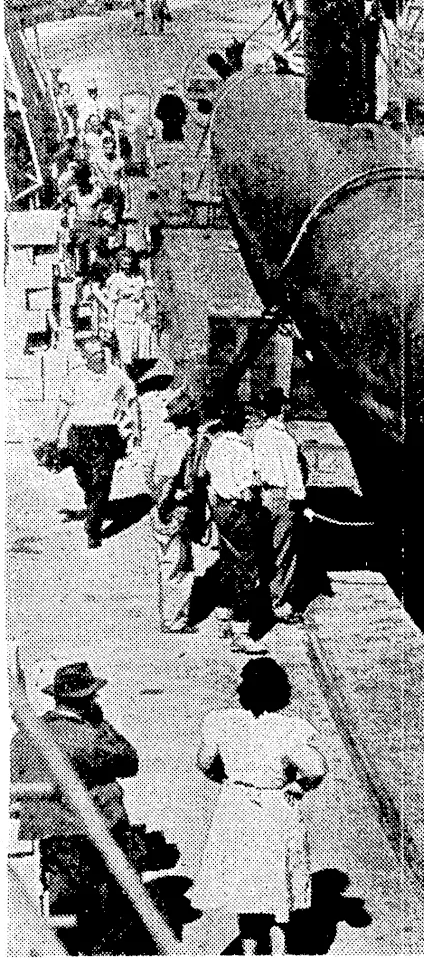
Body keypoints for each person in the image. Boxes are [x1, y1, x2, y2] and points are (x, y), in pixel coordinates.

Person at [190, 659, 326, 956]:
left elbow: (205, 763)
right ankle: (279, 952)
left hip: (235, 808)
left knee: (246, 885)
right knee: (276, 882)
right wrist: (298, 787)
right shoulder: (288, 729)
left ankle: (249, 951)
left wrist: (227, 781)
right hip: (274, 808)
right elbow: (316, 769)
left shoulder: (221, 722)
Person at [10, 662, 143, 954]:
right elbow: (129, 762)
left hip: (49, 831)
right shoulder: (89, 734)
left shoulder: (26, 734)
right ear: (87, 698)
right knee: (106, 905)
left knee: (64, 902)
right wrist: (102, 726)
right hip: (96, 828)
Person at [51, 335, 140, 548]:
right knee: (84, 479)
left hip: (106, 435)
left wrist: (136, 429)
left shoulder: (117, 374)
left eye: (101, 352)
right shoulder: (74, 377)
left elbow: (132, 400)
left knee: (101, 481)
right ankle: (93, 504)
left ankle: (93, 527)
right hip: (78, 435)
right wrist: (55, 433)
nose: (100, 356)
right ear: (84, 356)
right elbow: (63, 406)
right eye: (94, 354)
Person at [204, 400, 274, 653]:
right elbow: (247, 490)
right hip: (238, 511)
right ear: (244, 424)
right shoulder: (242, 450)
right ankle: (242, 632)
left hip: (220, 508)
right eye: (252, 423)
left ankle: (225, 616)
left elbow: (209, 476)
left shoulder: (216, 445)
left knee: (228, 562)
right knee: (247, 569)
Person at [148, 388, 205, 632]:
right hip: (173, 509)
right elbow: (167, 481)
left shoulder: (169, 440)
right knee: (176, 565)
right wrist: (166, 507)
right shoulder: (181, 443)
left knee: (176, 563)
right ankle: (174, 620)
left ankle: (176, 616)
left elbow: (152, 475)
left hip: (169, 508)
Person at [252, 386, 307, 622]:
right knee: (283, 552)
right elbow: (294, 476)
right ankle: (279, 604)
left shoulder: (258, 436)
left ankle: (261, 597)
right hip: (282, 497)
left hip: (263, 496)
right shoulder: (285, 440)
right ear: (282, 408)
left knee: (263, 548)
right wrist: (301, 503)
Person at [154, 79, 188, 143]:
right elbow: (184, 112)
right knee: (176, 141)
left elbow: (157, 112)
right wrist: (181, 120)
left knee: (169, 141)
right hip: (175, 126)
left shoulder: (163, 100)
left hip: (169, 126)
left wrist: (163, 118)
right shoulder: (177, 99)